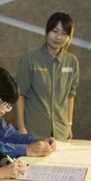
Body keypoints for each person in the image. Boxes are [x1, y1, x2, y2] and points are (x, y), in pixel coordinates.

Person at [15, 12, 79, 140]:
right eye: (55, 31)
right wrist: (21, 127)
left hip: (61, 131)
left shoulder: (72, 61)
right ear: (47, 31)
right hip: (33, 131)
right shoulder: (29, 60)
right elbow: (19, 94)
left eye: (64, 34)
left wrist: (69, 125)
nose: (58, 37)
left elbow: (70, 95)